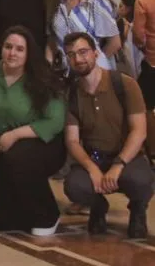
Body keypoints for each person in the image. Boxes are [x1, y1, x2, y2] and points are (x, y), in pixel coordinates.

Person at [0, 26, 66, 235]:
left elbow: (55, 121)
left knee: (19, 157)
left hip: (39, 143)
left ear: (28, 53)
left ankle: (47, 214)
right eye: (8, 47)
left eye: (19, 49)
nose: (12, 53)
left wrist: (15, 134)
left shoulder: (41, 77)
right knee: (4, 221)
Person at [62, 32, 152, 238]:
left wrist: (118, 165)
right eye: (71, 55)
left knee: (141, 181)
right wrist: (92, 168)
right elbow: (72, 140)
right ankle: (98, 206)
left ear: (95, 53)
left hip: (127, 156)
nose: (78, 59)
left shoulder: (124, 84)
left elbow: (139, 131)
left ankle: (138, 210)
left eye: (83, 52)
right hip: (95, 156)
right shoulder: (72, 93)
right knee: (75, 186)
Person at [47, 0, 120, 71]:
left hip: (93, 71)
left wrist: (94, 65)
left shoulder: (96, 3)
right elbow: (52, 40)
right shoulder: (54, 6)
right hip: (66, 72)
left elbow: (115, 43)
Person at [133, 0, 155, 108]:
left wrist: (142, 47)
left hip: (153, 59)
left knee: (149, 105)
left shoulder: (143, 0)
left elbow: (139, 36)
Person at [117, 0, 144, 78]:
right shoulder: (119, 23)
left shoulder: (140, 23)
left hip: (141, 60)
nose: (119, 9)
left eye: (121, 6)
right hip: (126, 61)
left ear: (129, 8)